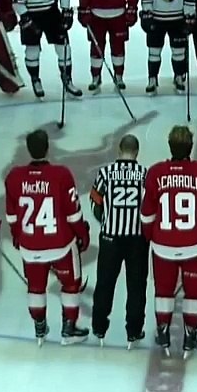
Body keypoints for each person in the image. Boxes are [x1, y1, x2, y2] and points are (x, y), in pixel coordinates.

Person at [5, 129, 91, 345]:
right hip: (60, 244)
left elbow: (12, 216)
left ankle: (39, 328)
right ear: (48, 148)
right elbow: (73, 214)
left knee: (35, 287)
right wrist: (83, 234)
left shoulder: (14, 177)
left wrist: (18, 237)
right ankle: (69, 329)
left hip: (31, 245)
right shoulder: (61, 174)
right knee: (71, 285)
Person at [141, 126, 197, 356]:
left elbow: (146, 216)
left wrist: (150, 238)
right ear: (191, 147)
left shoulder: (155, 173)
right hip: (196, 245)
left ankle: (163, 331)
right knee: (194, 293)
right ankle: (190, 335)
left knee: (163, 290)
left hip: (163, 245)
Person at [87, 135, 149, 345]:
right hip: (137, 238)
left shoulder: (105, 173)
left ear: (119, 150)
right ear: (137, 152)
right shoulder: (144, 174)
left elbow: (95, 201)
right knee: (136, 285)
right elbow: (150, 208)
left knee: (105, 282)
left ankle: (98, 327)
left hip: (110, 237)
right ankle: (134, 329)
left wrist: (105, 221)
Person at [14, 0, 80, 99]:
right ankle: (35, 79)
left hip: (51, 12)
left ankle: (67, 79)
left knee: (64, 47)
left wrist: (66, 11)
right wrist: (25, 18)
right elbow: (18, 2)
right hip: (32, 14)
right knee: (32, 50)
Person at [140, 0, 197, 93]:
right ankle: (152, 79)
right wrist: (147, 14)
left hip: (177, 20)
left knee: (178, 52)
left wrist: (189, 16)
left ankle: (179, 77)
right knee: (154, 51)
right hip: (157, 20)